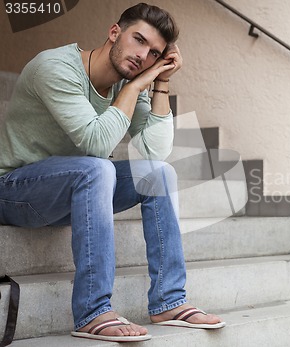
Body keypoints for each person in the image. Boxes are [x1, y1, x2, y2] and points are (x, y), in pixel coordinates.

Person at [0, 2, 224, 343]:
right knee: (97, 168)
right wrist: (135, 88)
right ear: (114, 32)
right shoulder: (56, 67)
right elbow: (94, 142)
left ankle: (168, 300)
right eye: (138, 40)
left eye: (154, 54)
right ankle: (92, 311)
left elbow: (153, 154)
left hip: (74, 190)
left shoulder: (127, 82)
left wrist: (161, 82)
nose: (142, 56)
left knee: (159, 173)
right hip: (15, 191)